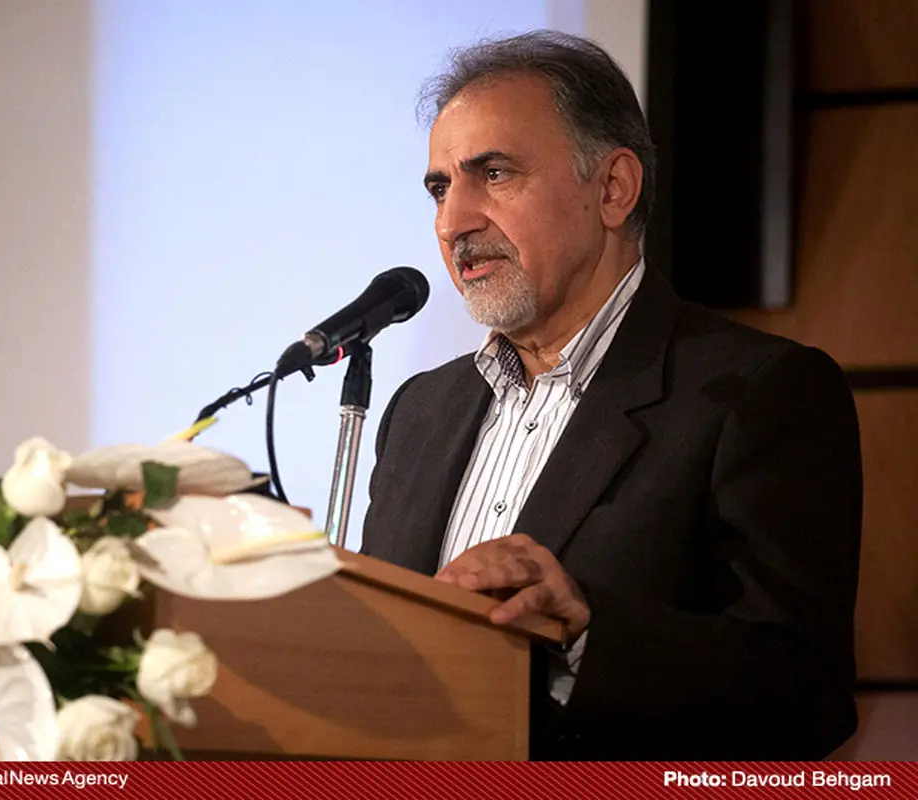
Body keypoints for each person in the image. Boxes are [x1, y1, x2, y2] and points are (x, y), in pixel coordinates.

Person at [360, 30, 862, 760]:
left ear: (613, 189)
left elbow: (805, 696)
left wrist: (587, 634)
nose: (451, 222)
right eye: (440, 187)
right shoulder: (420, 411)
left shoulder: (756, 393)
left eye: (493, 173)